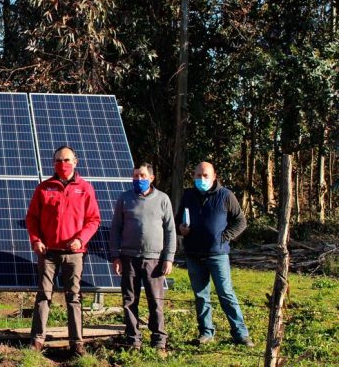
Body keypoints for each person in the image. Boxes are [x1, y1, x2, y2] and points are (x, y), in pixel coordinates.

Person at [25, 146, 101, 357]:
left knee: (73, 297)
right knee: (43, 296)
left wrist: (81, 239)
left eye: (66, 160)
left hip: (74, 253)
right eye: (58, 160)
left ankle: (76, 342)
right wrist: (36, 240)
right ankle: (37, 340)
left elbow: (93, 220)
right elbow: (31, 218)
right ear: (53, 163)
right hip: (47, 252)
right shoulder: (44, 188)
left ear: (75, 162)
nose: (62, 164)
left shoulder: (85, 188)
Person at [176, 161, 254, 347]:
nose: (201, 179)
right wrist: (181, 229)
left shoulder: (225, 195)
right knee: (201, 295)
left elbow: (240, 221)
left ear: (214, 177)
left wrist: (224, 237)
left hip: (217, 254)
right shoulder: (188, 196)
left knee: (226, 293)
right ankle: (206, 332)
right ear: (193, 177)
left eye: (205, 176)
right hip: (194, 253)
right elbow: (179, 220)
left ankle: (241, 334)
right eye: (198, 176)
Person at [110, 163, 175, 357]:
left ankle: (159, 340)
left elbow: (171, 230)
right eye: (136, 176)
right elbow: (115, 229)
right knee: (130, 300)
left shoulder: (163, 199)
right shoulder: (125, 198)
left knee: (155, 301)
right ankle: (133, 340)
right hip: (128, 257)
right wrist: (116, 256)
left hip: (154, 259)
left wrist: (168, 258)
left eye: (143, 175)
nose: (139, 179)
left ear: (151, 178)